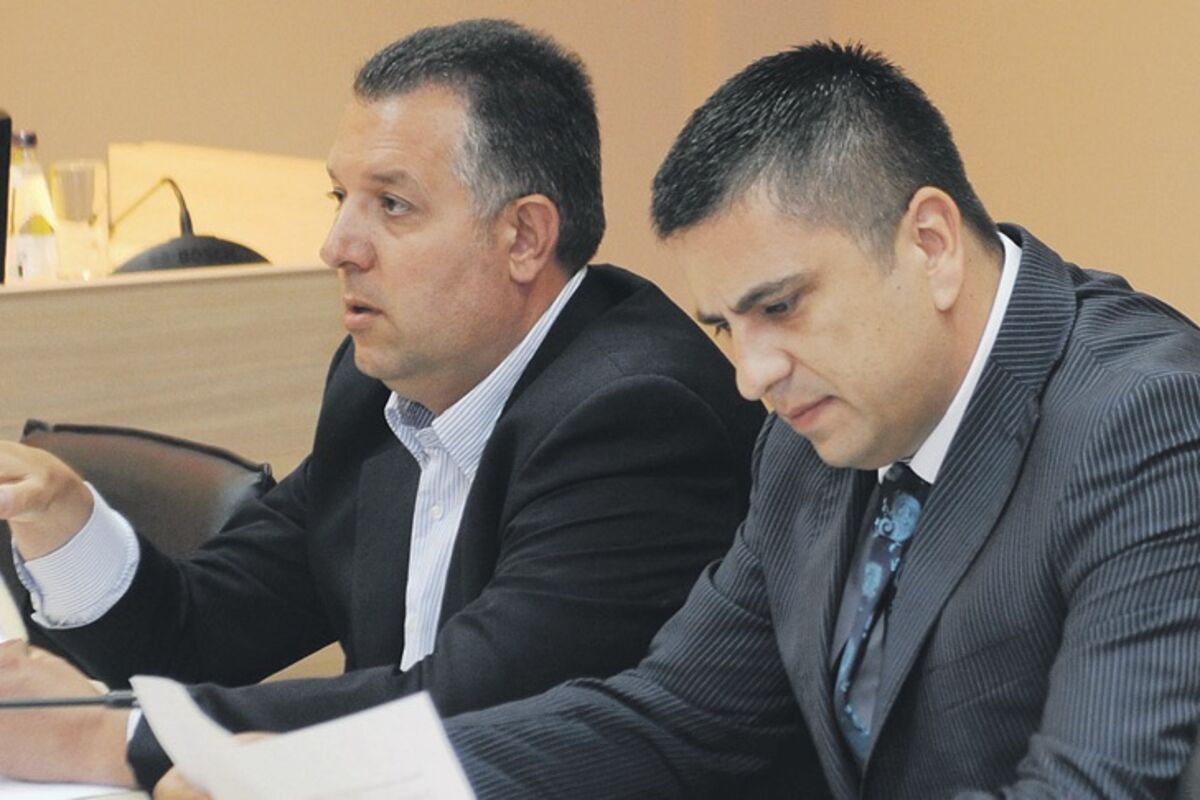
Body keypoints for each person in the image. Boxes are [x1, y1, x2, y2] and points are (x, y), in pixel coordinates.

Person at [0, 19, 765, 791]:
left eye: (392, 205)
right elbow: (196, 633)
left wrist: (116, 737)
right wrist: (63, 522)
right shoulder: (383, 388)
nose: (338, 245)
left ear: (524, 237)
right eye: (341, 197)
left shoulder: (638, 418)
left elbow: (470, 710)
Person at [426, 41, 1200, 798]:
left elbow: (1093, 784)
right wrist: (390, 775)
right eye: (727, 326)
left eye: (780, 306)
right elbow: (678, 714)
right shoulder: (807, 438)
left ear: (931, 245)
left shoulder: (1145, 415)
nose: (752, 375)